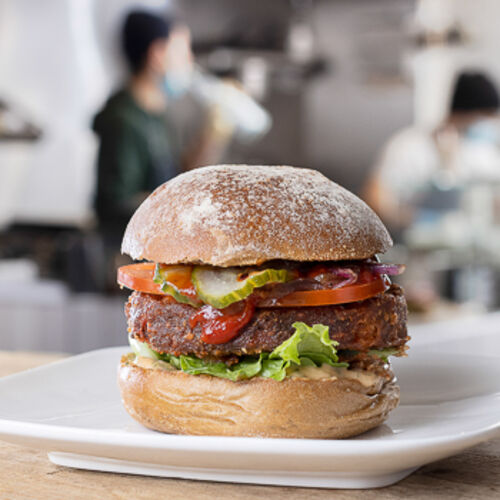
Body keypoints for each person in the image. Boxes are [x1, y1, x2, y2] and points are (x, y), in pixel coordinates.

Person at [93, 10, 232, 236]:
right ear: (157, 55)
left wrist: (214, 133)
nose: (189, 62)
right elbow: (117, 204)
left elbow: (177, 178)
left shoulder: (156, 116)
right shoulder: (124, 121)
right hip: (128, 255)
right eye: (183, 52)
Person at [364, 71, 500, 238]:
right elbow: (375, 199)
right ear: (463, 112)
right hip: (415, 250)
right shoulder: (409, 146)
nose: (489, 125)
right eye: (485, 117)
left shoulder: (482, 151)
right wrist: (417, 220)